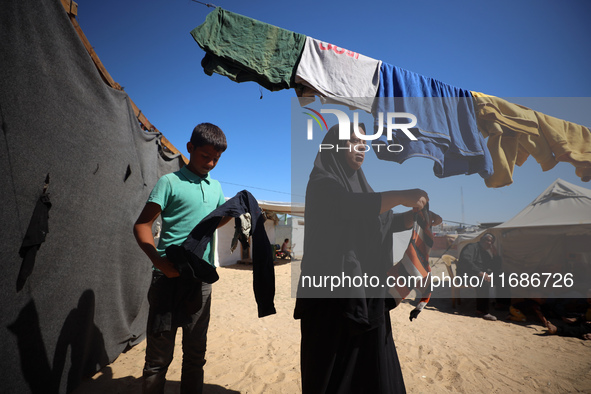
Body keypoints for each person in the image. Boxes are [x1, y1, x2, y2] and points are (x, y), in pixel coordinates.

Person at [294, 122, 441, 393]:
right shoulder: (322, 182)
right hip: (330, 299)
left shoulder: (361, 187)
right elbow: (346, 208)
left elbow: (378, 219)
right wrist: (400, 196)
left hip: (363, 292)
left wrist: (411, 218)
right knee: (331, 373)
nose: (361, 147)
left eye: (364, 142)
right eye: (352, 141)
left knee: (369, 371)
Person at [133, 123, 231, 394]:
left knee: (196, 355)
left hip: (200, 283)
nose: (210, 163)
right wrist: (159, 262)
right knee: (158, 358)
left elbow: (213, 223)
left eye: (216, 159)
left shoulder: (216, 188)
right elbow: (142, 225)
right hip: (167, 279)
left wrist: (234, 212)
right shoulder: (169, 182)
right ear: (190, 149)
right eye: (205, 156)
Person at [456, 233, 501, 321]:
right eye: (487, 240)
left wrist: (495, 255)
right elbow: (466, 261)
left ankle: (502, 304)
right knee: (483, 281)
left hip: (479, 275)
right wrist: (480, 273)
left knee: (503, 276)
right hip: (465, 276)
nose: (489, 243)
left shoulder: (485, 253)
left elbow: (495, 267)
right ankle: (482, 311)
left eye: (491, 242)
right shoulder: (471, 247)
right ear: (481, 239)